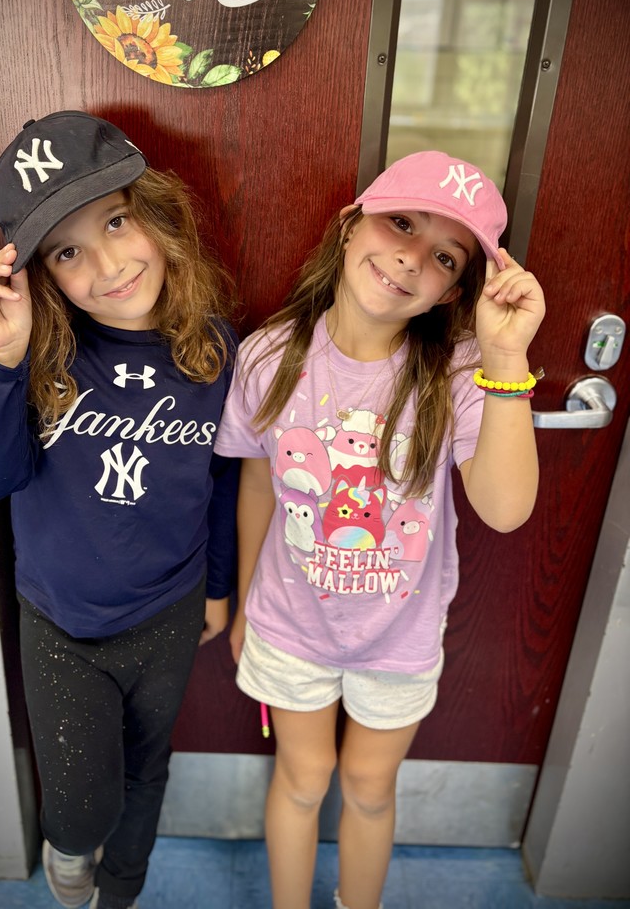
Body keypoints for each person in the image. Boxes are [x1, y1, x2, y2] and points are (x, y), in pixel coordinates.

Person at [214, 150, 546, 909]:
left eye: (442, 255)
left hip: (398, 636)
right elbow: (258, 477)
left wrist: (505, 353)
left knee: (367, 784)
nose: (408, 256)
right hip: (290, 625)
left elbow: (504, 508)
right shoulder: (269, 355)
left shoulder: (461, 373)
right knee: (303, 779)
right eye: (400, 222)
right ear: (347, 225)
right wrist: (239, 603)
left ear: (454, 291)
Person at [0, 110, 238, 909]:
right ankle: (73, 849)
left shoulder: (215, 351)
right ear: (42, 274)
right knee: (83, 807)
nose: (110, 263)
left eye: (117, 221)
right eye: (70, 251)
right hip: (63, 625)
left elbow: (223, 484)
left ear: (156, 213)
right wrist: (2, 361)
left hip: (170, 612)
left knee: (148, 768)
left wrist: (217, 586)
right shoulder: (46, 353)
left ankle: (123, 892)